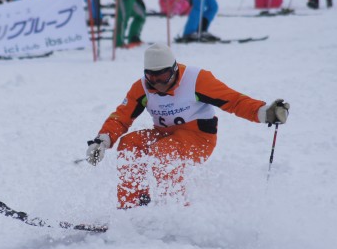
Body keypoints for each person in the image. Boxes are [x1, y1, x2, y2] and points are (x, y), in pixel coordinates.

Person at [85, 43, 290, 209]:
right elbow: (121, 117)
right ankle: (133, 206)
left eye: (163, 76)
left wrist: (265, 112)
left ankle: (173, 210)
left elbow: (234, 100)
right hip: (165, 135)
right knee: (130, 144)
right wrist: (102, 141)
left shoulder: (196, 79)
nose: (158, 84)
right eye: (152, 77)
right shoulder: (142, 88)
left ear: (174, 70)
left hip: (199, 138)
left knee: (164, 152)